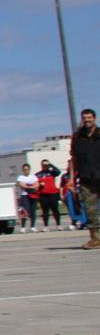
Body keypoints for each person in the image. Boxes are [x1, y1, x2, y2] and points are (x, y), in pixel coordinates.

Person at [71, 107, 100, 250]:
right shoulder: (77, 137)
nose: (87, 120)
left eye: (89, 117)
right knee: (90, 210)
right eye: (84, 118)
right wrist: (71, 179)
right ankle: (95, 238)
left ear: (94, 118)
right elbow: (73, 159)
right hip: (86, 178)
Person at [35, 160, 63, 232]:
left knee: (55, 209)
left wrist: (50, 165)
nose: (45, 166)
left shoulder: (52, 173)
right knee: (45, 211)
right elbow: (35, 183)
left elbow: (58, 172)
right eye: (44, 165)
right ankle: (46, 226)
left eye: (46, 165)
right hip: (43, 195)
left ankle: (58, 225)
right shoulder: (38, 174)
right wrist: (39, 185)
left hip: (53, 194)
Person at [15, 163, 40, 233]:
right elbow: (21, 185)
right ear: (23, 170)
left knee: (33, 211)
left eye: (27, 169)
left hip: (33, 195)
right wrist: (30, 186)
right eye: (24, 169)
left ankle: (33, 226)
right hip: (24, 195)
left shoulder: (33, 176)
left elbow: (37, 184)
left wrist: (32, 187)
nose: (26, 171)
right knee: (24, 211)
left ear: (29, 169)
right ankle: (23, 227)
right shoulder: (21, 177)